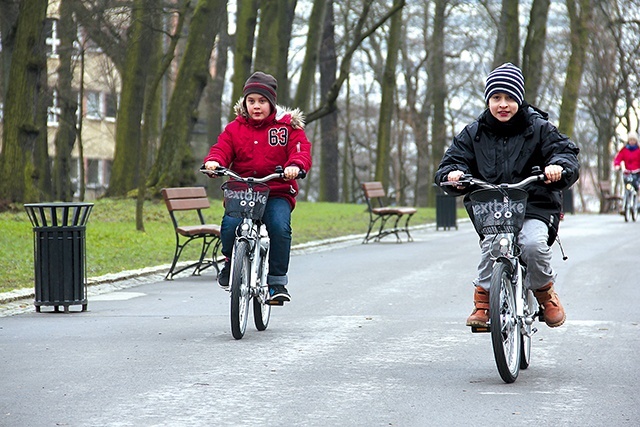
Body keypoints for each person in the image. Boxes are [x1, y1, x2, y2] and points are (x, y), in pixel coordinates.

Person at [434, 63, 580, 328]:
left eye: (510, 98)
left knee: (533, 245)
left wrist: (558, 167)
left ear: (520, 99)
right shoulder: (473, 133)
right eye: (497, 98)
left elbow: (565, 152)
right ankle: (483, 302)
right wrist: (454, 174)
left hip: (534, 203)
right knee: (493, 245)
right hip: (492, 206)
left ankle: (546, 294)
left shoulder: (539, 128)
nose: (503, 104)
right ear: (488, 100)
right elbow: (450, 163)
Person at [203, 71, 312, 303]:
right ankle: (231, 262)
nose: (256, 106)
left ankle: (276, 282)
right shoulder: (234, 128)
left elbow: (300, 150)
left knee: (279, 227)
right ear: (244, 103)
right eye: (251, 101)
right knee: (230, 224)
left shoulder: (287, 128)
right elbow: (222, 148)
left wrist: (295, 165)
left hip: (276, 190)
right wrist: (215, 162)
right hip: (242, 189)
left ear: (271, 103)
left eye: (262, 101)